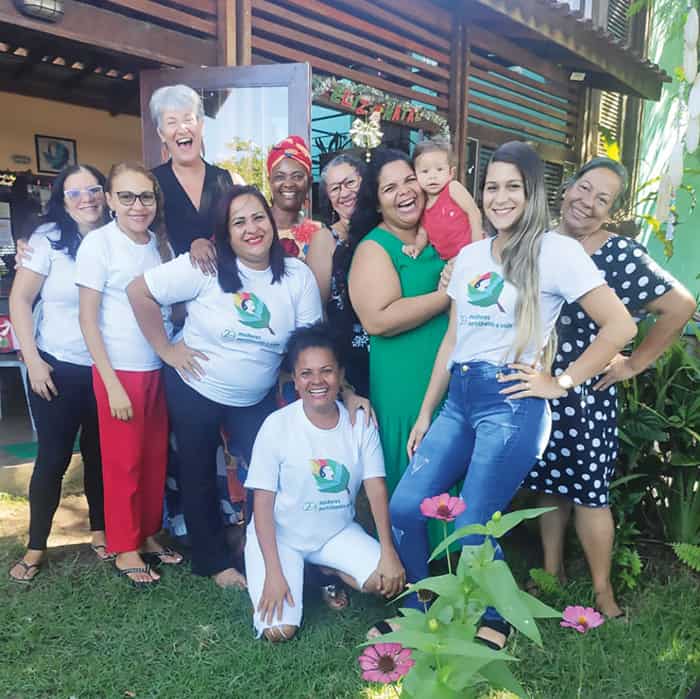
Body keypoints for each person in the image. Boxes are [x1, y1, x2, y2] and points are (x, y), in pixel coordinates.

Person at [387, 142, 638, 649]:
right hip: (459, 400)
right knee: (405, 506)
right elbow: (453, 340)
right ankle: (420, 602)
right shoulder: (471, 254)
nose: (500, 198)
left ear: (532, 193)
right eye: (492, 187)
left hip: (512, 403)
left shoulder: (555, 252)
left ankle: (496, 616)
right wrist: (425, 412)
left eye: (512, 187)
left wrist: (560, 383)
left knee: (474, 522)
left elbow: (621, 325)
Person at [522, 157, 697, 618]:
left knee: (590, 494)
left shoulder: (618, 255)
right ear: (568, 188)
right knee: (549, 484)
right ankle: (551, 573)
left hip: (585, 391)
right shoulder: (538, 242)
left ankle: (602, 592)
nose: (588, 203)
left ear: (611, 211)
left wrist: (635, 363)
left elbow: (680, 305)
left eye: (603, 199)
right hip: (538, 385)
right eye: (585, 189)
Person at [127, 185, 322, 589]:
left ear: (271, 222)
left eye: (258, 218)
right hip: (194, 388)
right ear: (226, 233)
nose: (251, 229)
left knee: (272, 472)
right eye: (239, 222)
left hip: (255, 398)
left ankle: (263, 546)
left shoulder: (297, 275)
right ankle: (214, 562)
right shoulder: (207, 267)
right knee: (197, 474)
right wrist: (166, 349)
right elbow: (139, 291)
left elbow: (308, 340)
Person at [244, 322, 404, 641]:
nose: (317, 381)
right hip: (283, 537)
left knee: (385, 583)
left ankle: (326, 569)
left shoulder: (360, 423)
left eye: (327, 371)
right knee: (279, 631)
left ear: (341, 375)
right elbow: (261, 504)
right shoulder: (277, 425)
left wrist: (389, 550)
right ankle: (300, 571)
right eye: (306, 373)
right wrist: (274, 573)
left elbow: (376, 488)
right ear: (295, 379)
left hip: (335, 533)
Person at [76, 162, 181, 587]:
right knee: (124, 464)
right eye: (127, 196)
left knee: (154, 458)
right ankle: (124, 546)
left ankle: (147, 532)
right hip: (119, 370)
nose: (139, 205)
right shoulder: (99, 245)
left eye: (147, 196)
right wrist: (113, 384)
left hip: (157, 366)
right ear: (110, 201)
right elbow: (88, 321)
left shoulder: (158, 245)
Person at [8, 165, 108, 583]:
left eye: (94, 189)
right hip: (55, 365)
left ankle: (101, 531)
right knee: (52, 458)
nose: (86, 198)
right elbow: (20, 299)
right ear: (62, 201)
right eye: (74, 192)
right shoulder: (49, 240)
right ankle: (36, 546)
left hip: (106, 369)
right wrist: (31, 359)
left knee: (101, 457)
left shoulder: (117, 237)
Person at [348, 149, 450, 495]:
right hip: (406, 386)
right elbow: (377, 319)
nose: (405, 191)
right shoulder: (374, 248)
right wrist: (447, 296)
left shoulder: (440, 230)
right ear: (377, 203)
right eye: (389, 188)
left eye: (410, 180)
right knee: (417, 483)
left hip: (450, 378)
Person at [149, 84, 235, 272]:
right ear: (161, 133)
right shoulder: (151, 182)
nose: (182, 129)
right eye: (172, 122)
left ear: (201, 125)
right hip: (173, 287)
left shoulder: (225, 179)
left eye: (188, 120)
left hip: (224, 287)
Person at [306, 153, 369, 397]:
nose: (344, 193)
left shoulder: (385, 231)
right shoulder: (325, 239)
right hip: (347, 358)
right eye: (335, 188)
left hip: (391, 352)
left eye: (350, 183)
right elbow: (317, 310)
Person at [402, 136, 483, 260]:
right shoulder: (423, 204)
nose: (432, 176)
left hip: (471, 253)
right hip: (449, 262)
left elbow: (474, 213)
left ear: (451, 173)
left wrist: (477, 247)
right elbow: (423, 233)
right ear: (416, 175)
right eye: (425, 171)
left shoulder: (453, 189)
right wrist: (417, 247)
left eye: (439, 169)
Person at [267, 135, 323, 260]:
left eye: (297, 176)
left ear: (309, 182)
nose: (288, 184)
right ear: (269, 181)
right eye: (280, 177)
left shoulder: (319, 234)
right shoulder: (253, 227)